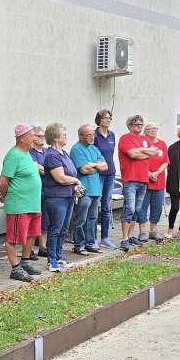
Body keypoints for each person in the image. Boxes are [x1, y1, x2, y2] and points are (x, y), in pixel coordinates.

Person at [0, 124, 42, 282]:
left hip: (33, 204)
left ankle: (25, 262)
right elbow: (3, 182)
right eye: (32, 136)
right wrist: (6, 196)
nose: (35, 139)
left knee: (31, 235)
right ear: (22, 138)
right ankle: (15, 269)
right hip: (19, 205)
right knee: (13, 238)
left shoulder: (27, 154)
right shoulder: (13, 155)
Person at [42, 123, 82, 271]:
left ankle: (59, 255)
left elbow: (71, 173)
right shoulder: (52, 155)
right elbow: (60, 178)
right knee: (55, 229)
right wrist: (76, 181)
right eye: (63, 134)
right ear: (55, 137)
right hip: (56, 198)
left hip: (68, 196)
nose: (66, 136)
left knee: (64, 229)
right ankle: (51, 259)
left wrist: (75, 184)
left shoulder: (64, 153)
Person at [117, 114, 158, 251]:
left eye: (141, 124)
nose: (139, 127)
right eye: (136, 124)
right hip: (130, 179)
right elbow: (132, 154)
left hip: (143, 180)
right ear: (129, 126)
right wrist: (145, 153)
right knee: (129, 209)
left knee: (136, 209)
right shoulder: (125, 138)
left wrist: (141, 151)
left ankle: (130, 236)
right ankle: (124, 239)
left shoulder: (145, 139)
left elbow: (155, 151)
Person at [70, 124, 107, 255]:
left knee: (92, 218)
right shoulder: (76, 149)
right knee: (81, 219)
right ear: (80, 136)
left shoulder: (94, 148)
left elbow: (105, 166)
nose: (92, 137)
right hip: (84, 190)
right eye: (89, 135)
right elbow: (84, 169)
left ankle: (90, 243)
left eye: (93, 134)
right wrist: (97, 165)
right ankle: (79, 245)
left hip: (96, 189)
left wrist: (94, 165)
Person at [136, 122, 168, 242]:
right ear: (145, 131)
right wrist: (149, 174)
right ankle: (143, 232)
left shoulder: (162, 144)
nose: (153, 130)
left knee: (157, 207)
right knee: (142, 207)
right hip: (144, 180)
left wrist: (157, 173)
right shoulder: (142, 143)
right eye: (150, 129)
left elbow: (165, 161)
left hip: (158, 181)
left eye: (155, 128)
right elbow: (138, 161)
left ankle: (153, 231)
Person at [93, 109, 117, 248]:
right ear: (99, 120)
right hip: (98, 174)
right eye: (106, 118)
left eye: (110, 118)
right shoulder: (94, 136)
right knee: (96, 205)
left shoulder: (112, 135)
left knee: (107, 205)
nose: (108, 120)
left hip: (110, 173)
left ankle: (105, 237)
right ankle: (94, 238)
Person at [28, 126, 48, 258]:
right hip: (34, 191)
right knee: (32, 220)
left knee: (45, 219)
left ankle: (43, 247)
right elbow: (37, 169)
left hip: (47, 190)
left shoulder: (47, 151)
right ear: (32, 137)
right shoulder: (29, 153)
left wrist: (46, 169)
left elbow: (45, 169)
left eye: (43, 136)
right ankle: (28, 249)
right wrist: (51, 170)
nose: (42, 138)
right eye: (39, 136)